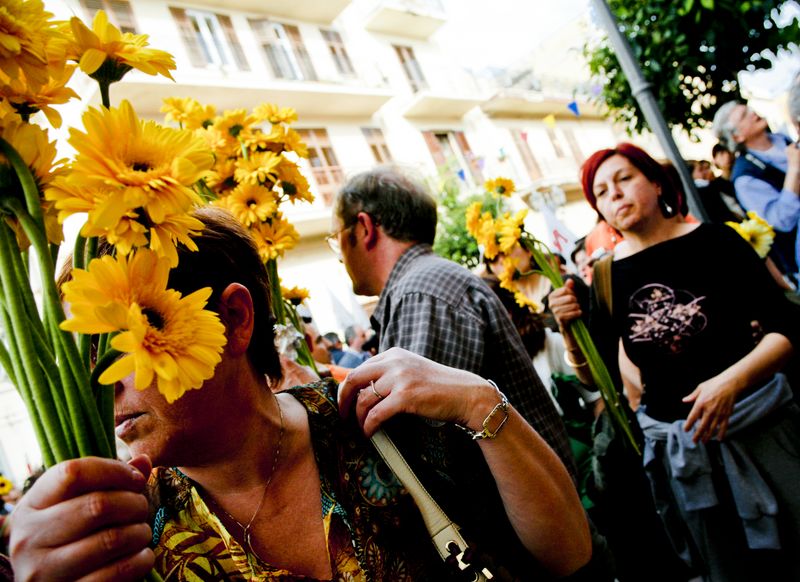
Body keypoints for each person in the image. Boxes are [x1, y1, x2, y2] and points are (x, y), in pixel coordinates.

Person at [6, 207, 593, 581]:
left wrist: (482, 404)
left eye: (119, 344)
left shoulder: (376, 421)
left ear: (235, 319)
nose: (99, 384)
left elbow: (566, 554)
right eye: (79, 361)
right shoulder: (115, 530)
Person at [549, 143, 800, 582]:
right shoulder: (607, 276)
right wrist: (571, 330)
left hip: (760, 432)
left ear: (657, 181)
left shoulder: (718, 240)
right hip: (683, 454)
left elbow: (787, 329)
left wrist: (731, 382)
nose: (615, 195)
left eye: (624, 179)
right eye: (602, 192)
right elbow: (599, 378)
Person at [331, 167, 575, 477]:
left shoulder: (420, 291)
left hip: (520, 516)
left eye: (335, 238)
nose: (339, 256)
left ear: (364, 228)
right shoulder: (425, 283)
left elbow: (421, 451)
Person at [713, 100, 800, 281]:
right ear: (737, 137)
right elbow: (782, 220)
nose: (753, 113)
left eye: (749, 109)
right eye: (744, 115)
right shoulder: (745, 178)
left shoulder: (784, 138)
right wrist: (794, 169)